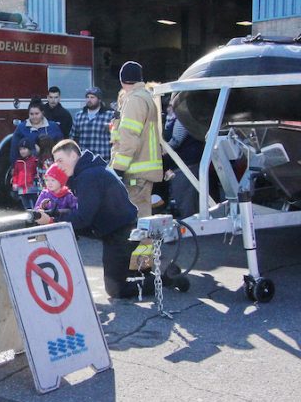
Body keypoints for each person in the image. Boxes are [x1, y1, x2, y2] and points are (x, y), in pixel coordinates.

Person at [35, 139, 187, 299]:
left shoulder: (88, 177)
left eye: (60, 160)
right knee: (133, 266)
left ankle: (166, 279)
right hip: (127, 228)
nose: (57, 166)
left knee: (116, 290)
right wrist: (55, 213)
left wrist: (51, 221)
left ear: (73, 155)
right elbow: (85, 211)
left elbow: (83, 218)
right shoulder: (91, 169)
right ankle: (161, 268)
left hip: (118, 235)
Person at [110, 61, 163, 218]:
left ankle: (141, 242)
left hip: (135, 169)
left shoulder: (134, 100)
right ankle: (146, 243)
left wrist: (118, 168)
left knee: (135, 212)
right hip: (143, 168)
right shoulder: (145, 97)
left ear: (122, 80)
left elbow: (129, 138)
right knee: (143, 209)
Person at [163, 102, 205, 219]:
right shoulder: (173, 119)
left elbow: (176, 140)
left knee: (185, 199)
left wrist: (162, 150)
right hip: (183, 164)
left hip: (186, 164)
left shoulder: (182, 119)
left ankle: (190, 227)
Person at [70, 86, 115, 162]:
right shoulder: (79, 116)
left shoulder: (109, 115)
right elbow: (73, 138)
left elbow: (115, 138)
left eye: (92, 97)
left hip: (103, 160)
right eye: (87, 97)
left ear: (99, 99)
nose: (89, 100)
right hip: (84, 160)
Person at [11, 139, 39, 210]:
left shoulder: (35, 161)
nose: (22, 151)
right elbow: (15, 174)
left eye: (24, 149)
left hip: (33, 188)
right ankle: (30, 217)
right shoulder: (18, 162)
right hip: (22, 188)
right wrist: (15, 183)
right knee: (26, 205)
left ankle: (37, 217)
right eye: (20, 149)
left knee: (35, 204)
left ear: (30, 150)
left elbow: (37, 172)